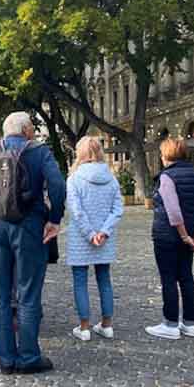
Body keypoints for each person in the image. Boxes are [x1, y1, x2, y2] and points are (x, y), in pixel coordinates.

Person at [0, 112, 66, 374]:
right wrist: (54, 219)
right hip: (30, 224)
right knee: (28, 292)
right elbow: (57, 185)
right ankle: (29, 356)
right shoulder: (39, 151)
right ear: (27, 130)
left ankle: (6, 359)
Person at [146, 138, 194, 340]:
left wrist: (184, 236)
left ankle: (170, 323)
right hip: (190, 236)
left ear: (166, 155)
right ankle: (190, 323)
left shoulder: (167, 177)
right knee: (186, 276)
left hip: (167, 235)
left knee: (168, 278)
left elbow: (173, 212)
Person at [65, 137, 124, 341]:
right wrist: (104, 231)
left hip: (81, 238)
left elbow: (76, 211)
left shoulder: (74, 179)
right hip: (104, 239)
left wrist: (90, 234)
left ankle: (84, 327)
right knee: (104, 280)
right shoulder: (112, 178)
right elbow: (117, 209)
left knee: (80, 281)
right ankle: (107, 324)